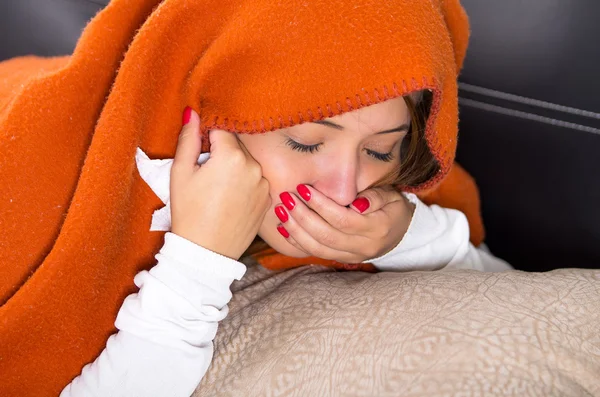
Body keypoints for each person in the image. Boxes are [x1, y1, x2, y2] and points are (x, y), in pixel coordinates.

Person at [60, 86, 511, 395]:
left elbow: (516, 296)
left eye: (378, 151)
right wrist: (196, 264)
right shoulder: (61, 190)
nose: (343, 189)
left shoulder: (401, 193)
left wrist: (406, 237)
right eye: (304, 141)